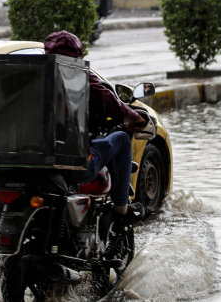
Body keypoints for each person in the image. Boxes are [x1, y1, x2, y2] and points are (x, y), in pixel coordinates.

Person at [43, 30, 147, 224]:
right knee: (122, 139)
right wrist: (133, 117)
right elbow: (106, 100)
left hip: (23, 162)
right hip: (68, 161)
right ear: (77, 55)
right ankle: (122, 210)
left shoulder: (31, 74)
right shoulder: (75, 71)